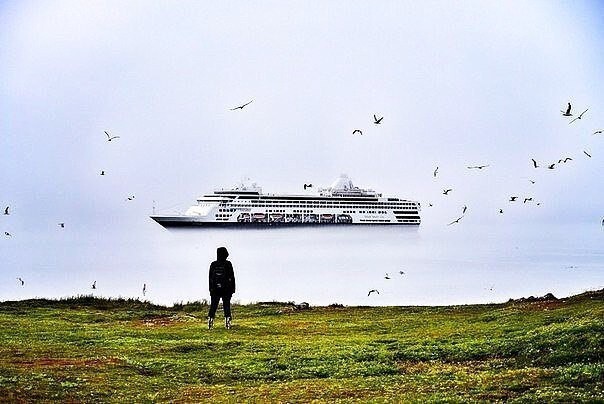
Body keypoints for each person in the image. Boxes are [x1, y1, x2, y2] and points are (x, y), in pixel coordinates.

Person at [207, 246, 236, 329]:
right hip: (226, 289)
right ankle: (228, 323)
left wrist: (211, 289)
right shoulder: (228, 264)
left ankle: (210, 321)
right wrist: (233, 288)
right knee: (226, 305)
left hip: (215, 289)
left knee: (213, 306)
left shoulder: (213, 264)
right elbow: (232, 277)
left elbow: (210, 278)